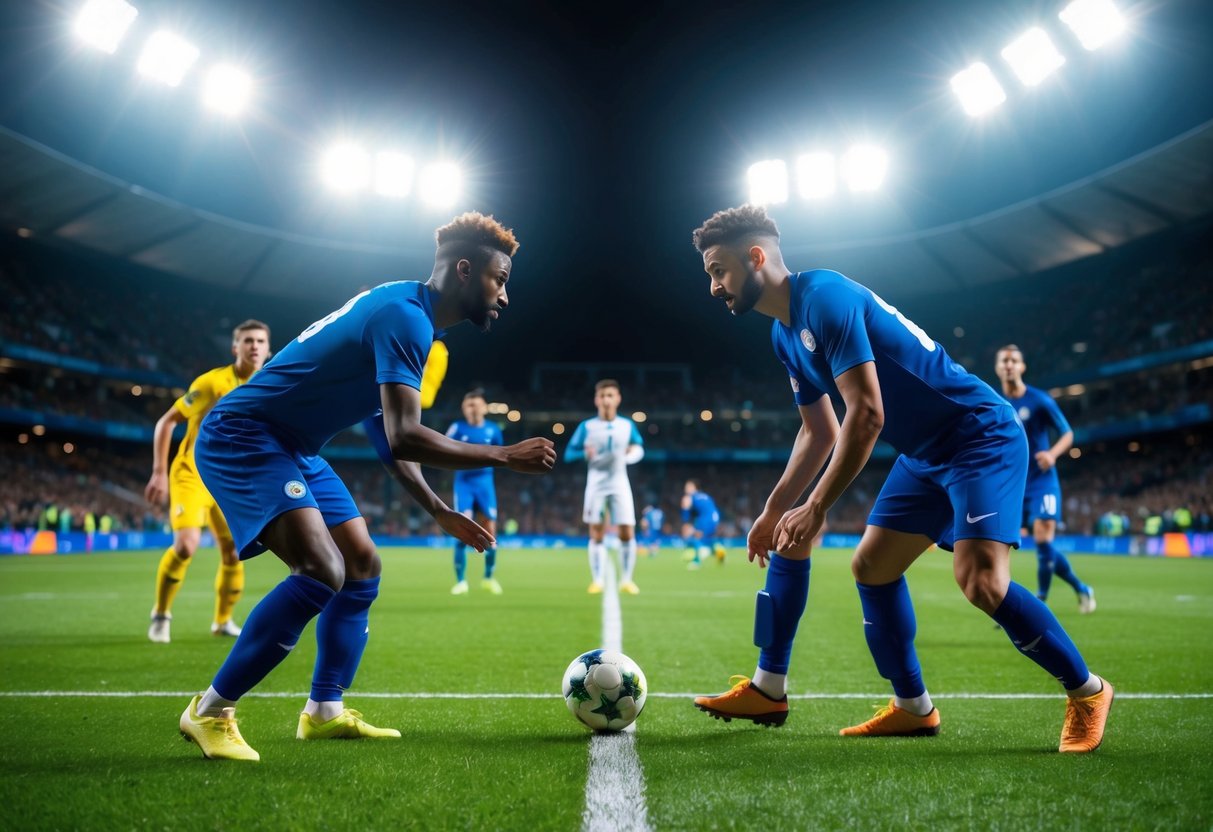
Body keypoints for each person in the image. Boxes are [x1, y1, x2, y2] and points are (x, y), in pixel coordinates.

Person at [688, 205, 1111, 753]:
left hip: (978, 435)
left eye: (718, 270)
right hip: (925, 453)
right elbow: (818, 432)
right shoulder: (783, 334)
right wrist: (774, 511)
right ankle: (912, 708)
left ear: (756, 256)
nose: (714, 286)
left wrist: (815, 507)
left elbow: (866, 416)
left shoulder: (825, 298)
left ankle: (1088, 692)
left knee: (981, 582)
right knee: (872, 566)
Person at [178, 212, 556, 761]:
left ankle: (323, 712)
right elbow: (406, 435)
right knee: (320, 570)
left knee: (361, 566)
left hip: (293, 447)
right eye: (499, 280)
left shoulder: (406, 313)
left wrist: (437, 508)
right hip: (245, 436)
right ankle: (209, 711)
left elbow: (386, 436)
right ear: (466, 270)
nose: (504, 295)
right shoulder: (406, 319)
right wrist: (503, 454)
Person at [144, 320, 271, 643]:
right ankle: (161, 614)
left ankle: (222, 620)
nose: (254, 346)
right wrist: (159, 471)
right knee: (186, 546)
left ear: (269, 349)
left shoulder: (270, 385)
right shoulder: (213, 383)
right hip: (192, 474)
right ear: (235, 348)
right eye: (248, 341)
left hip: (229, 480)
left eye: (260, 341)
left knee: (234, 551)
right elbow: (167, 422)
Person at [995, 345, 1094, 613]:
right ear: (997, 367)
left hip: (1042, 482)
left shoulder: (1039, 400)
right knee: (1004, 543)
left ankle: (1039, 602)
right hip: (1013, 484)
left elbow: (1067, 433)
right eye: (1004, 361)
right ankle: (1081, 588)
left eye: (1014, 360)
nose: (1009, 365)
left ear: (1022, 367)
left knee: (1042, 537)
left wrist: (1052, 454)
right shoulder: (996, 403)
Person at [564, 380, 644, 595]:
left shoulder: (627, 425)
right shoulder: (587, 427)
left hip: (619, 482)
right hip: (596, 485)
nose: (606, 399)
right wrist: (583, 454)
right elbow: (568, 454)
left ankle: (627, 580)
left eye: (611, 395)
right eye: (603, 395)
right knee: (596, 533)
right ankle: (597, 580)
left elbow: (639, 447)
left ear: (618, 399)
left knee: (627, 531)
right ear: (596, 399)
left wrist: (632, 454)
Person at [445, 389, 505, 595]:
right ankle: (461, 581)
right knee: (463, 528)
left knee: (490, 530)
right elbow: (442, 449)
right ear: (463, 408)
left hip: (485, 483)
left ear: (485, 407)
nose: (473, 408)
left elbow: (500, 454)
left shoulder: (493, 430)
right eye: (469, 405)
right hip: (464, 483)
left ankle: (488, 578)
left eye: (477, 404)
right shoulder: (456, 428)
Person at [681, 479, 725, 568]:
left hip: (705, 519)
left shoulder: (690, 497)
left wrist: (685, 523)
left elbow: (686, 510)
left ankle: (696, 561)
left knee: (697, 537)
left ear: (694, 487)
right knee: (706, 538)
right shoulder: (705, 495)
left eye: (688, 486)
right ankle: (718, 549)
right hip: (715, 517)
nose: (686, 488)